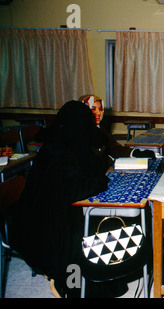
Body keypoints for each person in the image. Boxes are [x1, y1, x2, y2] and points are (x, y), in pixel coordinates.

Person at [9, 101, 111, 297]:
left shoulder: (66, 141)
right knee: (87, 228)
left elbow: (88, 170)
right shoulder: (59, 150)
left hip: (52, 208)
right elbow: (76, 189)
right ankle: (64, 279)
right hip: (41, 222)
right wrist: (100, 181)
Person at [80, 95, 155, 163]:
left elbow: (114, 149)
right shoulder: (80, 133)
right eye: (93, 109)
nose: (98, 113)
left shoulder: (100, 129)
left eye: (100, 109)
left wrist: (135, 153)